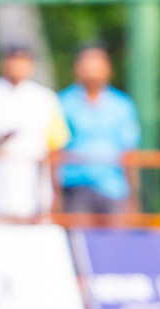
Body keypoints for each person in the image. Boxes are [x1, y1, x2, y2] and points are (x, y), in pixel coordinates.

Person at [0, 44, 70, 219]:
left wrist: (56, 194)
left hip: (33, 192)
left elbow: (55, 149)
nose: (17, 67)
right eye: (12, 61)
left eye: (22, 61)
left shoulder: (45, 98)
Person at [58, 44, 141, 215]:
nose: (92, 69)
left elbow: (129, 153)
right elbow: (55, 151)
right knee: (79, 240)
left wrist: (133, 196)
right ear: (77, 68)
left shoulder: (122, 105)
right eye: (87, 63)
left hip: (113, 188)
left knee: (116, 240)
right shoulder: (63, 103)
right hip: (75, 187)